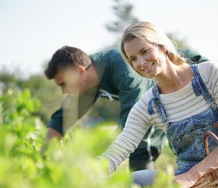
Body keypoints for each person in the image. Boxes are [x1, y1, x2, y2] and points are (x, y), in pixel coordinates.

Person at [99, 22, 218, 188]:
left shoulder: (209, 73)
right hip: (185, 183)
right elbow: (119, 149)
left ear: (162, 46)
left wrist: (193, 175)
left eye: (144, 51)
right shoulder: (148, 105)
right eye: (133, 59)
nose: (140, 62)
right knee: (134, 181)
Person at [43, 44, 208, 171]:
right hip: (171, 97)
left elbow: (135, 125)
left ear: (80, 71)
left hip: (200, 82)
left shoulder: (122, 69)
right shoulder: (85, 82)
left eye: (64, 84)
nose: (64, 91)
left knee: (144, 147)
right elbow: (61, 120)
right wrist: (43, 161)